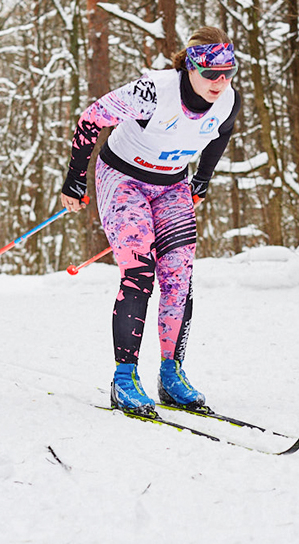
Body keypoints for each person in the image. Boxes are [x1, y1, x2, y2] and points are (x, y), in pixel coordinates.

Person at [60, 27, 241, 417]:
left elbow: (220, 135)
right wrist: (75, 179)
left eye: (228, 72)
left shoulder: (227, 101)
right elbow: (91, 118)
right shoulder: (153, 92)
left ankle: (171, 374)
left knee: (178, 275)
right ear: (189, 67)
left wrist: (202, 180)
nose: (220, 82)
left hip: (171, 183)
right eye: (211, 73)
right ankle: (124, 379)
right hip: (123, 177)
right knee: (139, 269)